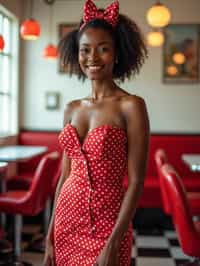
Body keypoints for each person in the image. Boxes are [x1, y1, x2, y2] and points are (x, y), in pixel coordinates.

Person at [44, 0, 150, 265]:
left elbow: (136, 182)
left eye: (103, 49)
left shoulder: (132, 106)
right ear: (76, 54)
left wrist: (114, 241)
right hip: (66, 219)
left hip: (108, 223)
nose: (92, 57)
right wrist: (50, 235)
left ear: (116, 54)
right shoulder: (71, 108)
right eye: (85, 50)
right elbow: (65, 175)